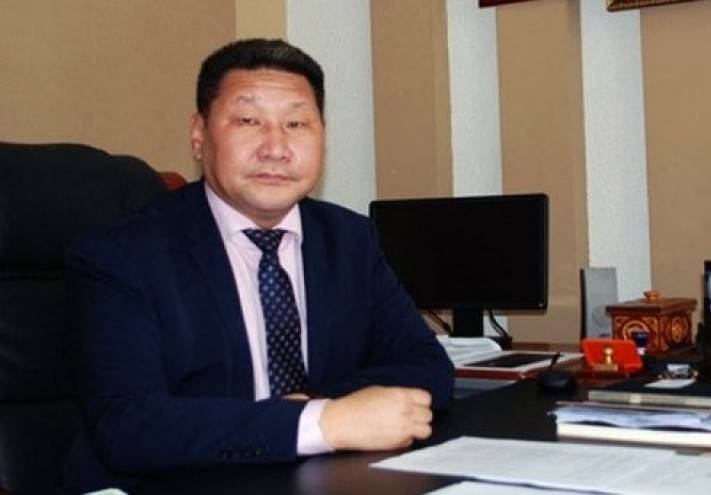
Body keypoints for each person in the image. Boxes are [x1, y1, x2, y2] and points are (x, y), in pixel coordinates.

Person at [64, 38, 454, 493]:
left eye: (296, 123)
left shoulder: (348, 238)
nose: (276, 148)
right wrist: (322, 422)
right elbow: (128, 426)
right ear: (199, 135)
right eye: (249, 121)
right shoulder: (121, 255)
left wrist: (312, 410)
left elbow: (426, 365)